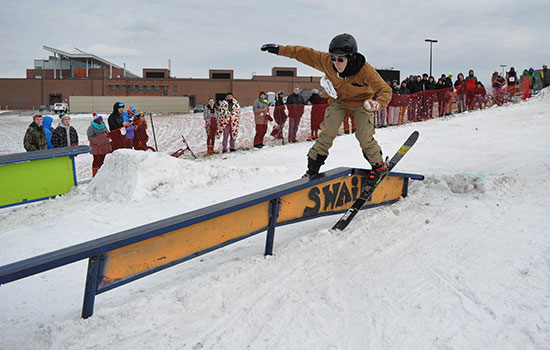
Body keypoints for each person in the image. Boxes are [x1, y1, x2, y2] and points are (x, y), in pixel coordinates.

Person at [261, 33, 392, 184]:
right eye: (333, 58)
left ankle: (378, 166)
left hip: (361, 102)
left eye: (340, 59)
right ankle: (312, 170)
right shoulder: (326, 62)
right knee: (327, 133)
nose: (336, 63)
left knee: (364, 135)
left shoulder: (365, 70)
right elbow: (303, 54)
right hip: (339, 101)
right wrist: (280, 50)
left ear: (351, 57)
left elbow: (385, 90)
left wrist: (378, 103)